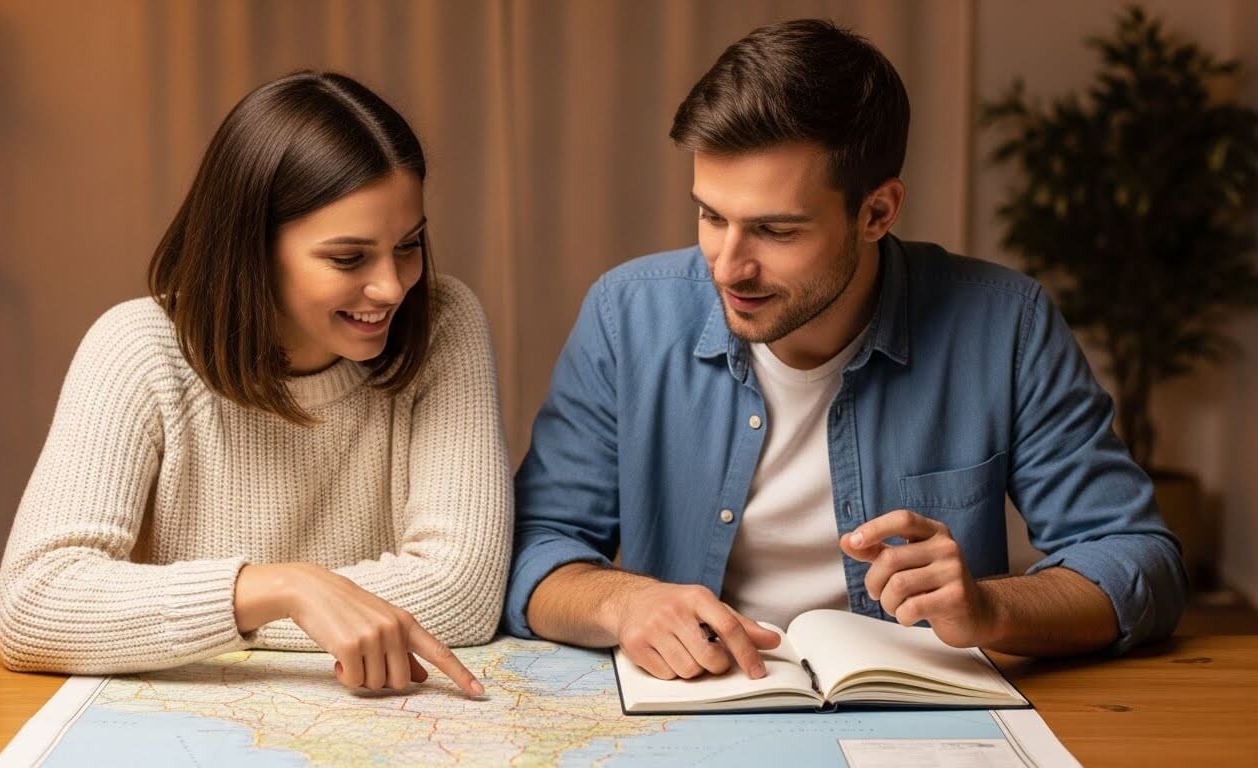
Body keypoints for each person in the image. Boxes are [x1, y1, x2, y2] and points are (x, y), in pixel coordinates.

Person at [505, 19, 1186, 682]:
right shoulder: (628, 314)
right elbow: (536, 551)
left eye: (773, 230)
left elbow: (1137, 560)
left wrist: (990, 607)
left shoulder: (1005, 324)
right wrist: (625, 602)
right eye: (712, 216)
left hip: (919, 720)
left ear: (877, 213)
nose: (726, 267)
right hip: (696, 705)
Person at [0, 71, 512, 696]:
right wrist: (288, 589)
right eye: (348, 258)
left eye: (409, 244)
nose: (393, 287)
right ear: (248, 248)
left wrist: (136, 618)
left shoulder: (444, 323)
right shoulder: (137, 344)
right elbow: (38, 601)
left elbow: (464, 592)